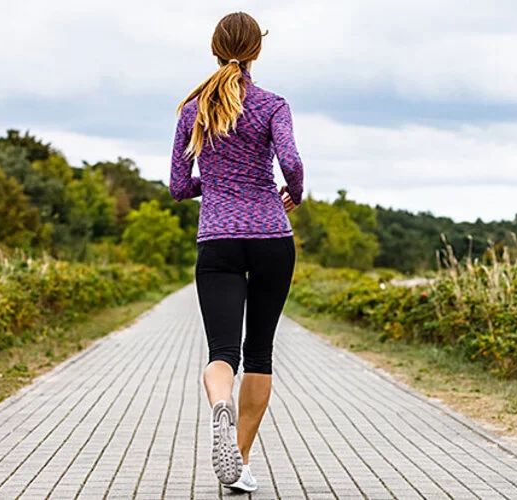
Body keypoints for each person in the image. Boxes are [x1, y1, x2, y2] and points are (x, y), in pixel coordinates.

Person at [169, 11, 304, 492]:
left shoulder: (194, 109)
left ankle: (219, 403)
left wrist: (220, 183)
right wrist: (296, 191)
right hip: (272, 238)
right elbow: (290, 160)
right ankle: (240, 462)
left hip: (218, 241)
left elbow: (179, 186)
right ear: (257, 51)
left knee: (222, 351)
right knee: (260, 351)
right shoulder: (272, 105)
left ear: (214, 48)